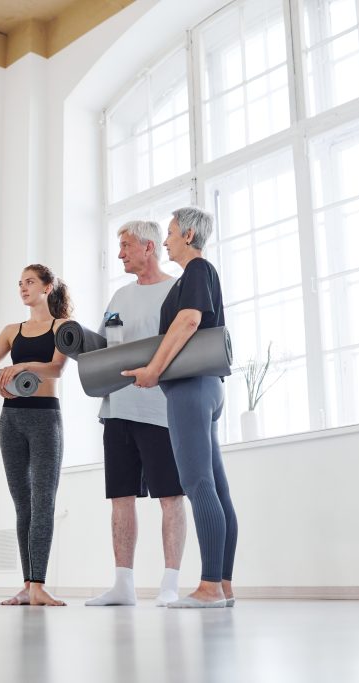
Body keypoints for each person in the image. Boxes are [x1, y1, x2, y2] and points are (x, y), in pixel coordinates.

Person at [122, 207, 238, 609]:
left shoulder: (196, 271)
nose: (168, 239)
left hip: (191, 388)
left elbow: (188, 320)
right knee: (217, 490)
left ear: (188, 235)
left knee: (197, 485)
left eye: (171, 233)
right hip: (205, 388)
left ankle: (208, 587)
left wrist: (154, 369)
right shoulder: (199, 274)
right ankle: (222, 584)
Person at [85, 221, 187, 607]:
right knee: (121, 497)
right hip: (118, 408)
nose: (120, 253)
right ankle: (123, 585)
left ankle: (170, 584)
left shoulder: (176, 290)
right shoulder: (120, 295)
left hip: (161, 409)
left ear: (148, 247)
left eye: (126, 245)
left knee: (170, 496)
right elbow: (104, 344)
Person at [0, 264, 72, 607]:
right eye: (20, 283)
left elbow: (57, 368)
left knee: (43, 501)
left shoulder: (62, 327)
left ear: (48, 288)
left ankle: (39, 584)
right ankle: (27, 584)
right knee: (23, 506)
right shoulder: (11, 331)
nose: (23, 288)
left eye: (30, 282)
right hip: (12, 420)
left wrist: (21, 367)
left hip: (46, 418)